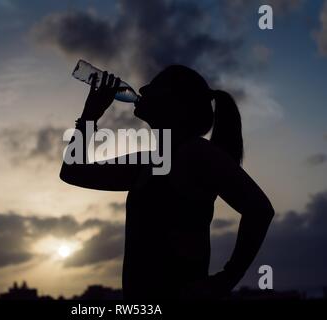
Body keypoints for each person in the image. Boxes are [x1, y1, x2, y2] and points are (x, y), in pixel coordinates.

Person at [60, 65, 274, 300]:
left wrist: (227, 279)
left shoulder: (196, 153)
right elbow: (73, 172)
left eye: (154, 85)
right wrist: (90, 116)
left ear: (175, 102)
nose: (142, 88)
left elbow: (260, 210)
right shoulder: (152, 161)